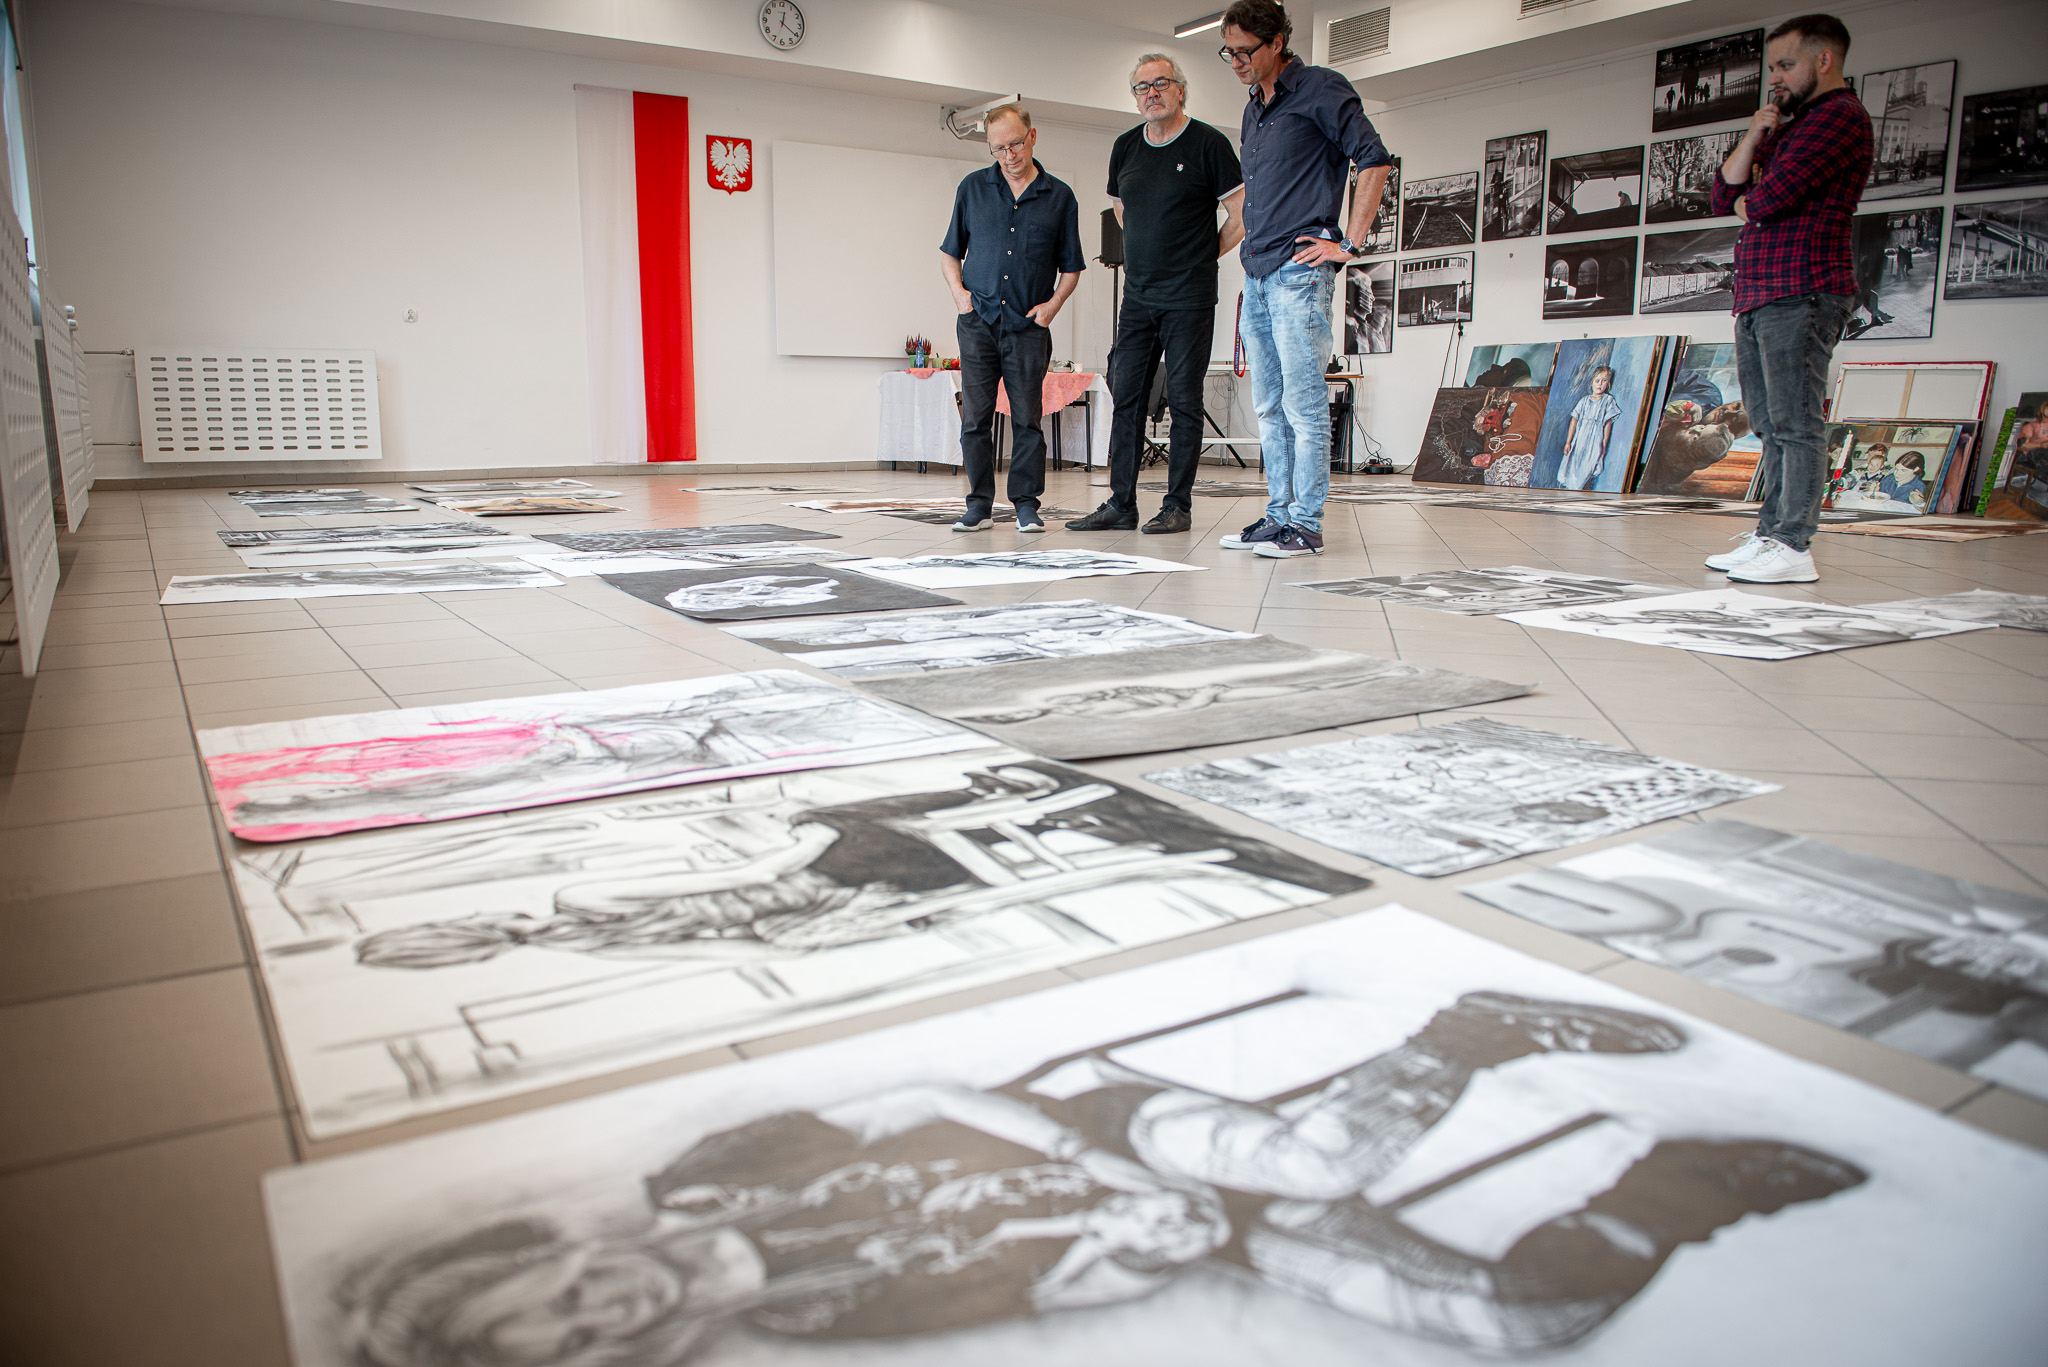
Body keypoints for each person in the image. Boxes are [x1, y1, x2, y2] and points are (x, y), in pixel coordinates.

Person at [1215, 0, 1394, 559]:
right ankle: (1278, 517)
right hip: (1258, 274)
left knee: (1304, 404)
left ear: (1277, 43)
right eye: (1228, 52)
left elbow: (1374, 160)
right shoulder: (1253, 109)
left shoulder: (1321, 88)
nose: (1236, 62)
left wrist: (1349, 245)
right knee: (1269, 407)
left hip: (1299, 272)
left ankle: (1307, 525)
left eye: (1245, 51)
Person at [1703, 14, 1872, 584]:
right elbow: (1723, 194)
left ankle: (1793, 545)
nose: (1774, 77)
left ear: (1824, 60)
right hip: (1761, 292)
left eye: (1785, 65)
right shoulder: (1787, 126)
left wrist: (1746, 201)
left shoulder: (1840, 118)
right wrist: (1755, 133)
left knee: (1796, 423)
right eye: (1772, 66)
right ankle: (1770, 533)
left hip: (1803, 289)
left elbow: (1766, 200)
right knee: (1768, 424)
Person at [1067, 55, 1244, 536]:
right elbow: (1122, 210)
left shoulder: (1208, 144)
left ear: (1180, 90)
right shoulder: (1125, 147)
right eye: (1141, 86)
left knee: (1184, 401)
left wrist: (1201, 256)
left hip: (1189, 296)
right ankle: (1121, 504)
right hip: (1139, 296)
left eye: (1160, 83)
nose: (1151, 93)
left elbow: (1241, 215)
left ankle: (1177, 506)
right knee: (1127, 397)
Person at [939, 105, 1085, 534]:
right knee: (975, 419)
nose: (1009, 155)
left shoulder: (1060, 197)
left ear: (1032, 136)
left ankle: (1026, 505)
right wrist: (960, 296)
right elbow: (950, 253)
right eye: (998, 148)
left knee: (1027, 420)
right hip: (977, 323)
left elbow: (1071, 268)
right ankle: (979, 505)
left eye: (1016, 144)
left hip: (1027, 328)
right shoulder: (972, 188)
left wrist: (1052, 307)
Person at [1557, 364, 1622, 489]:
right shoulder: (1584, 401)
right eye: (1597, 381)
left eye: (1604, 381)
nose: (1600, 384)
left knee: (1589, 466)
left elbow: (1607, 425)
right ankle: (1572, 491)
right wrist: (1568, 442)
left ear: (1608, 383)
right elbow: (1574, 421)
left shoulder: (1608, 400)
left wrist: (1603, 446)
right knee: (1574, 465)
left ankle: (1581, 490)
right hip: (1580, 440)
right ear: (1592, 382)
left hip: (1594, 441)